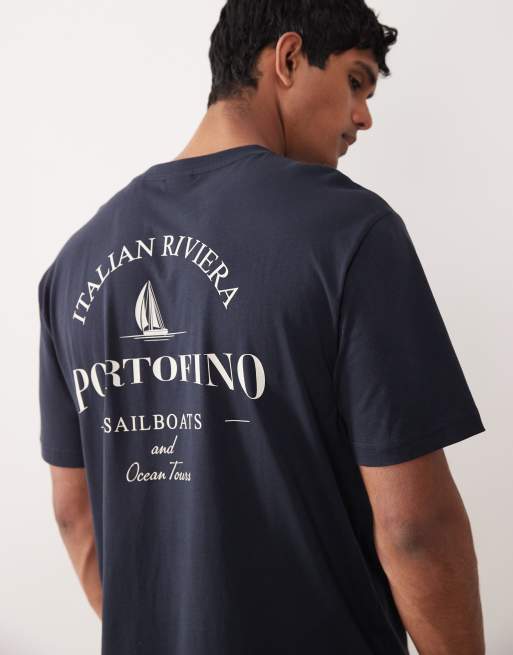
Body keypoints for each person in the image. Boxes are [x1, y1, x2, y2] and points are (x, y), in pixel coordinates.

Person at [37, 1, 487, 654]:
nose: (364, 117)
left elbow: (73, 514)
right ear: (288, 59)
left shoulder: (73, 265)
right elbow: (413, 529)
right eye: (355, 81)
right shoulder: (349, 233)